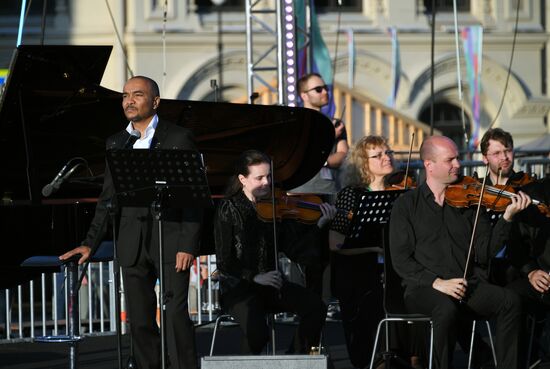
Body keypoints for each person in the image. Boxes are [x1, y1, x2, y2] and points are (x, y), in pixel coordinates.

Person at [60, 76, 201, 369]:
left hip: (170, 238)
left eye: (137, 95)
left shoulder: (178, 137)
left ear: (155, 102)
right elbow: (107, 199)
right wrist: (90, 243)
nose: (129, 101)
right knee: (139, 318)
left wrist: (188, 244)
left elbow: (193, 196)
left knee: (174, 314)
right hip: (131, 240)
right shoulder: (117, 141)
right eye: (125, 96)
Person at [389, 135, 531, 369]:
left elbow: (485, 252)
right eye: (450, 160)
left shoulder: (470, 201)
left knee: (511, 301)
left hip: (465, 286)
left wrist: (507, 218)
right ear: (429, 165)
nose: (458, 164)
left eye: (457, 158)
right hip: (423, 289)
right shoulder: (406, 205)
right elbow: (401, 259)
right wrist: (437, 283)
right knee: (445, 309)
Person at [213, 149, 336, 354]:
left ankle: (293, 359)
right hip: (238, 288)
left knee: (316, 307)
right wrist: (256, 277)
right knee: (258, 333)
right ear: (242, 179)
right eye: (259, 178)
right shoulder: (229, 207)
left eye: (269, 176)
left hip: (272, 285)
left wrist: (320, 224)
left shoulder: (275, 206)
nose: (267, 183)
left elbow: (296, 249)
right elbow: (225, 261)